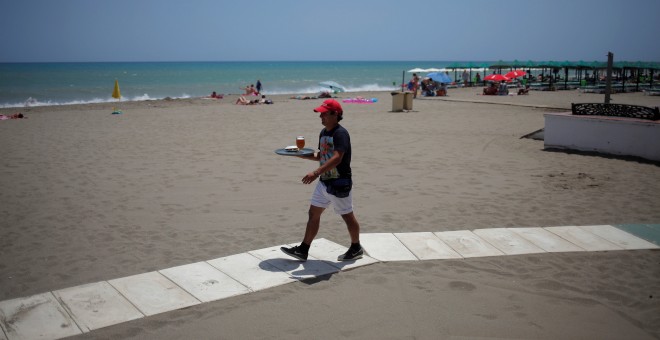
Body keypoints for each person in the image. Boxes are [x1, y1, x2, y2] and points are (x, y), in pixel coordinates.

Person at [281, 99, 363, 262]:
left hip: (339, 183)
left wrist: (316, 172)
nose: (321, 116)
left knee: (347, 215)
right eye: (321, 113)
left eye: (324, 113)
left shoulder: (341, 133)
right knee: (313, 213)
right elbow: (322, 155)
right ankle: (303, 249)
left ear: (335, 114)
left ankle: (356, 247)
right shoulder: (323, 133)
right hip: (325, 182)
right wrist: (300, 155)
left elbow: (337, 158)